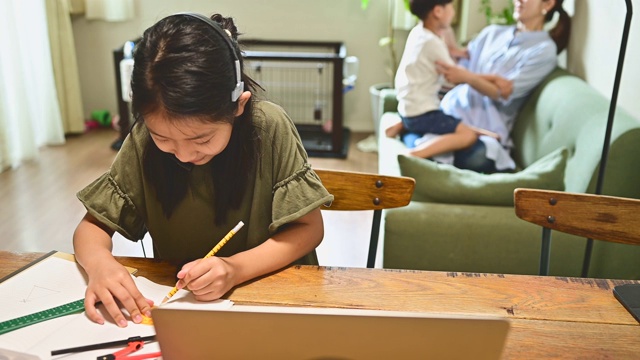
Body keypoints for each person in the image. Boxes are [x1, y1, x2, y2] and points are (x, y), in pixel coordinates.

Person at [72, 12, 333, 327]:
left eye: (201, 139)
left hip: (273, 303)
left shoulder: (269, 127)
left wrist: (235, 268)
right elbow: (91, 228)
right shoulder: (144, 138)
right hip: (189, 310)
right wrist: (101, 266)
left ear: (238, 105)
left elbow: (309, 229)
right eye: (163, 139)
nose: (182, 154)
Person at [409, 0, 571, 173]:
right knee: (426, 126)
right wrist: (443, 30)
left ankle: (422, 142)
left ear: (547, 4)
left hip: (487, 130)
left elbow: (503, 92)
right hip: (449, 112)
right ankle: (423, 141)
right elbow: (460, 65)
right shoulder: (492, 32)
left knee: (478, 156)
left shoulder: (544, 51)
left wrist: (468, 77)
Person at [385, 0, 504, 160]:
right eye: (451, 8)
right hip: (422, 113)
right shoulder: (432, 42)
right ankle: (414, 154)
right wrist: (493, 78)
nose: (453, 13)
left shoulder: (418, 32)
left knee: (451, 120)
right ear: (438, 12)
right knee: (467, 135)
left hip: (407, 108)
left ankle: (403, 125)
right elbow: (455, 75)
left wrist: (458, 52)